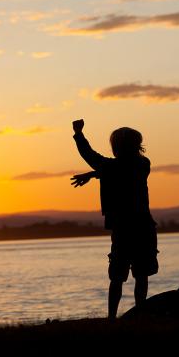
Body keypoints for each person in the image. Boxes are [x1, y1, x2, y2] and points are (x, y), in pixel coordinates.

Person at [70, 119, 158, 319]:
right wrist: (94, 174)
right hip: (143, 226)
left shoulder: (113, 166)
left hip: (123, 228)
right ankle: (140, 315)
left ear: (116, 146)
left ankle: (112, 318)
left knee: (118, 276)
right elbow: (116, 168)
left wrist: (78, 133)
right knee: (141, 275)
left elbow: (92, 156)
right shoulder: (144, 164)